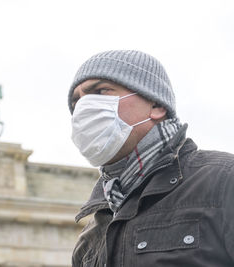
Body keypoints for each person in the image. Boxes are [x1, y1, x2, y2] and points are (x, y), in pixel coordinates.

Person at [68, 50, 234, 267]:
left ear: (156, 104)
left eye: (100, 91)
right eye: (76, 103)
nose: (83, 109)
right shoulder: (90, 238)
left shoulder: (223, 181)